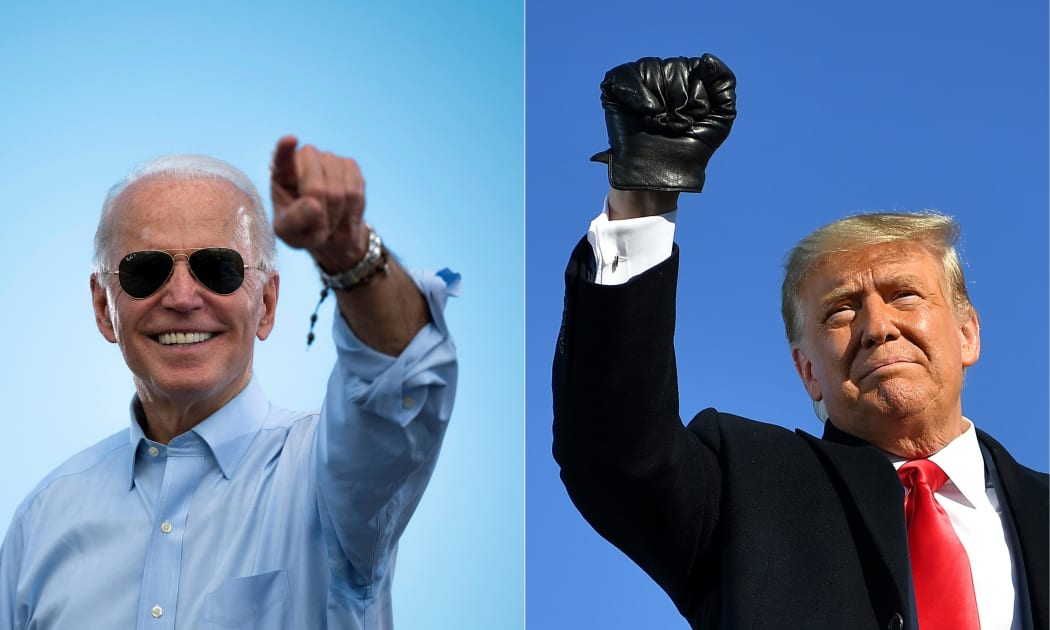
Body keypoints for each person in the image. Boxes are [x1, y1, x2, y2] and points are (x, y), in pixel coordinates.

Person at [553, 55, 1047, 629]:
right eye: (841, 310)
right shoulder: (742, 487)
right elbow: (616, 454)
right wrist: (642, 193)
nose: (877, 326)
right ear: (807, 371)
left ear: (968, 333)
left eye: (905, 295)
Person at [0, 135, 458, 629]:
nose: (180, 297)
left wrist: (352, 258)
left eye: (218, 268)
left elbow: (400, 377)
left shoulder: (330, 483)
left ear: (267, 303)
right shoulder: (41, 524)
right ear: (102, 307)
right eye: (144, 270)